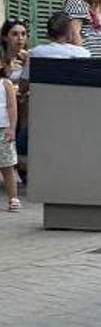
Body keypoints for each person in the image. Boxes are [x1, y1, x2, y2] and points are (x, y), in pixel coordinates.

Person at [0, 19, 28, 185]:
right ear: (5, 38)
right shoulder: (2, 60)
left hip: (19, 103)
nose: (20, 38)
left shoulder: (26, 58)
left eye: (23, 34)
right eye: (15, 34)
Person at [0, 67, 19, 212]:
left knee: (7, 166)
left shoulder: (5, 83)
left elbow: (12, 107)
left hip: (3, 129)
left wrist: (12, 128)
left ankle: (13, 198)